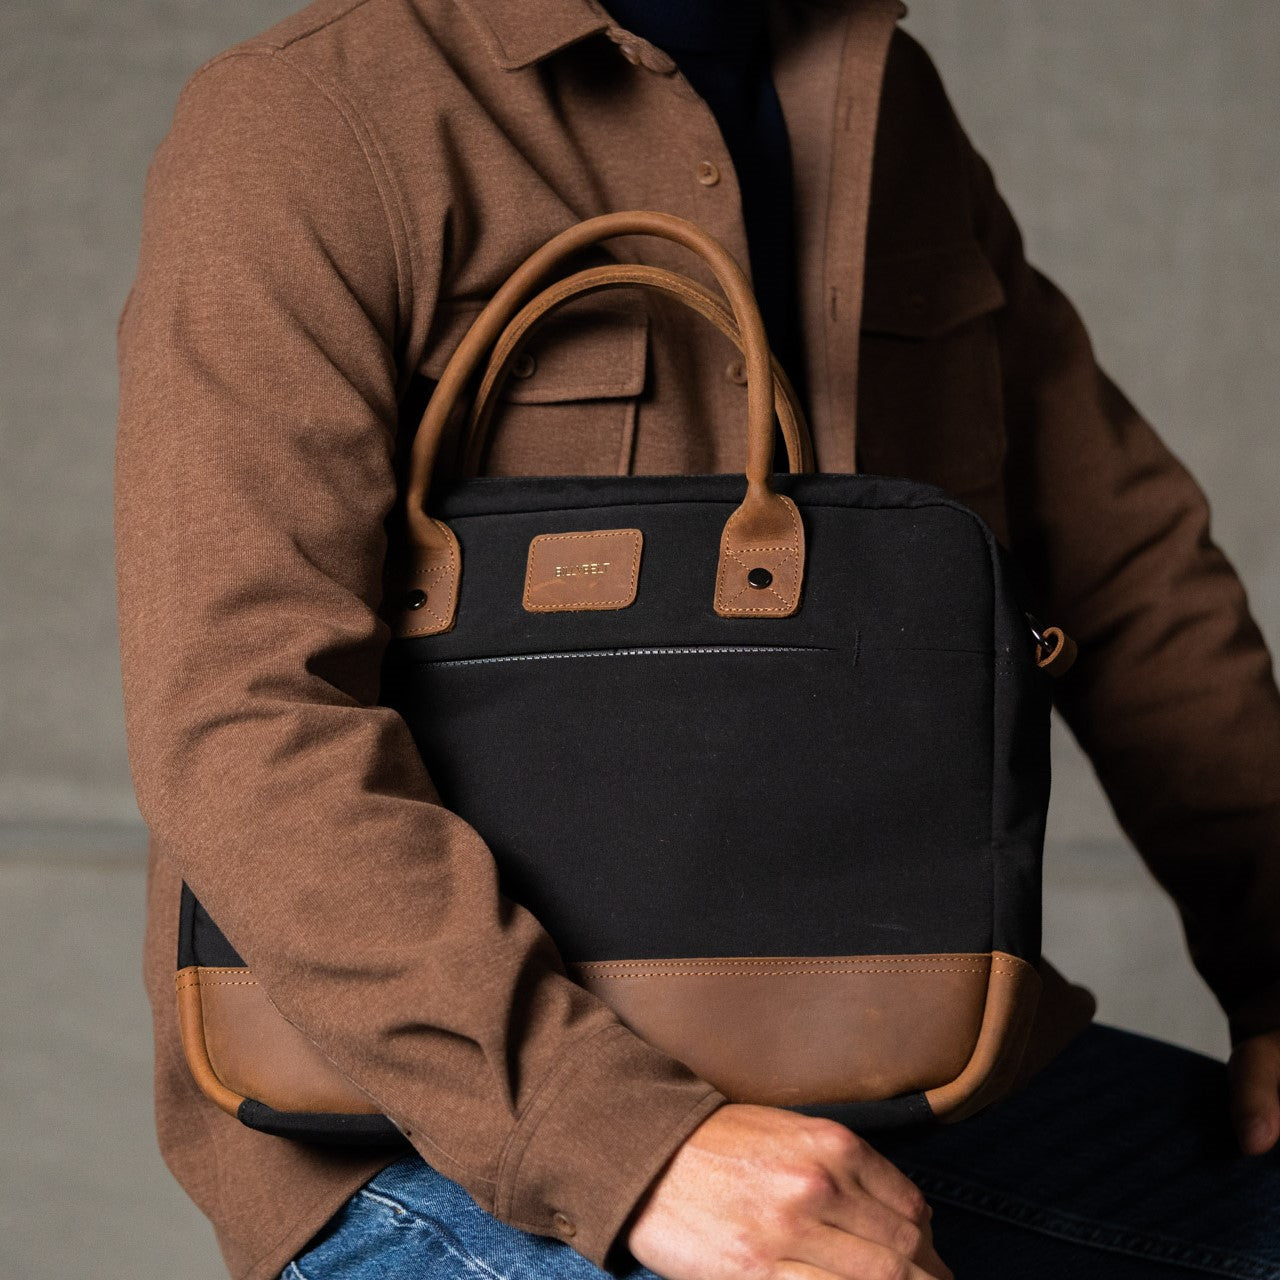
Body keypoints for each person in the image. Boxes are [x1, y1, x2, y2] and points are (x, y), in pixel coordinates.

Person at [113, 0, 1280, 1277]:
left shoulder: (876, 88)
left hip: (881, 1048)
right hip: (416, 1124)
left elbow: (1123, 568)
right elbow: (240, 717)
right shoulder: (310, 111)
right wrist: (627, 1142)